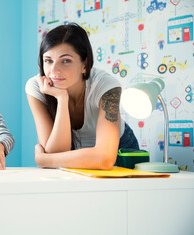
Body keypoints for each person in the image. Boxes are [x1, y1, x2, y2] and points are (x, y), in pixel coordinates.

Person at [25, 23, 139, 170]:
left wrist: (43, 160)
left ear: (84, 64)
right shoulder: (35, 87)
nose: (54, 70)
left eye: (65, 61)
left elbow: (104, 158)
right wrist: (61, 99)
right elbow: (55, 153)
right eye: (48, 60)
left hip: (118, 150)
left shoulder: (107, 86)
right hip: (72, 156)